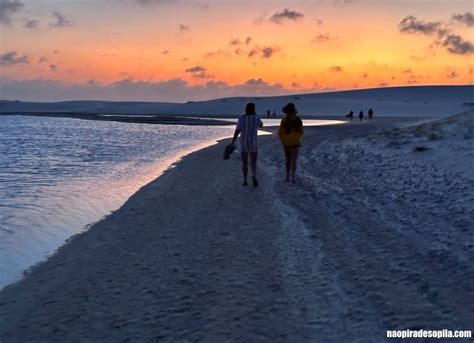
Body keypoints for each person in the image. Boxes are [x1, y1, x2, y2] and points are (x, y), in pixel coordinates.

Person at [231, 103, 264, 187]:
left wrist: (233, 140)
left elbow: (238, 130)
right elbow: (261, 125)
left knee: (244, 162)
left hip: (244, 142)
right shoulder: (256, 117)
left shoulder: (242, 117)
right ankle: (254, 175)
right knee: (253, 162)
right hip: (253, 142)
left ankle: (245, 180)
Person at [278, 103, 304, 183]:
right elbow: (301, 132)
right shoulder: (298, 120)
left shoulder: (284, 120)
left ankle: (287, 177)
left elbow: (280, 132)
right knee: (294, 160)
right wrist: (296, 137)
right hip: (295, 142)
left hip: (286, 142)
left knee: (288, 160)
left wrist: (283, 141)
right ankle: (293, 177)